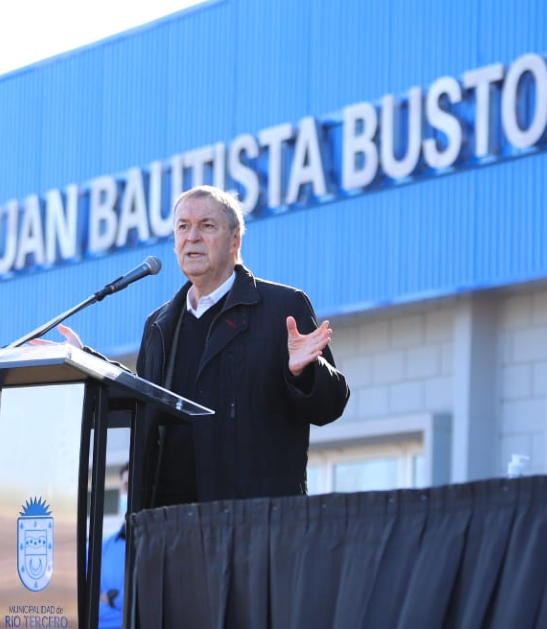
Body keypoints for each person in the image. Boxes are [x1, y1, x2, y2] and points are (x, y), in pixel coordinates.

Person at [54, 185, 350, 507]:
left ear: (235, 240)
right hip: (166, 524)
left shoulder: (282, 308)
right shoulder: (160, 324)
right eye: (183, 226)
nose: (192, 236)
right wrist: (85, 363)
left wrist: (304, 372)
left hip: (251, 523)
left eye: (207, 226)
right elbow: (146, 397)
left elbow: (330, 405)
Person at [98, 464, 129, 629]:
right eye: (126, 486)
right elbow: (85, 607)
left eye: (136, 486)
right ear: (120, 493)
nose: (130, 492)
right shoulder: (100, 550)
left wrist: (111, 599)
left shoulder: (163, 545)